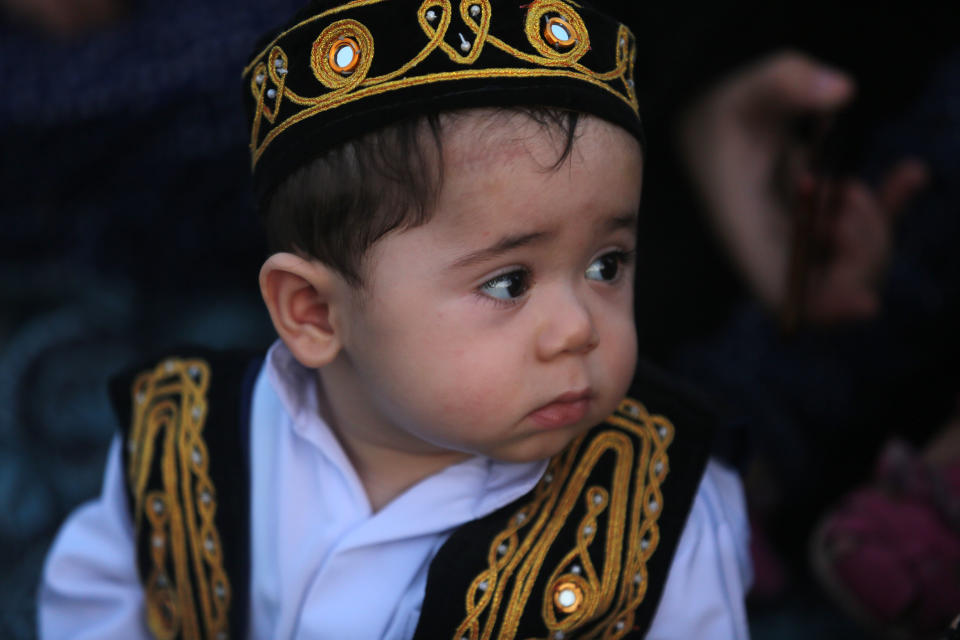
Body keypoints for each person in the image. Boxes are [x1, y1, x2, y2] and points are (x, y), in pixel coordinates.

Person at [37, 1, 751, 638]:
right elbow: (97, 602)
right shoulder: (182, 437)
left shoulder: (661, 519)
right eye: (508, 281)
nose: (579, 329)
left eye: (607, 266)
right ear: (313, 313)